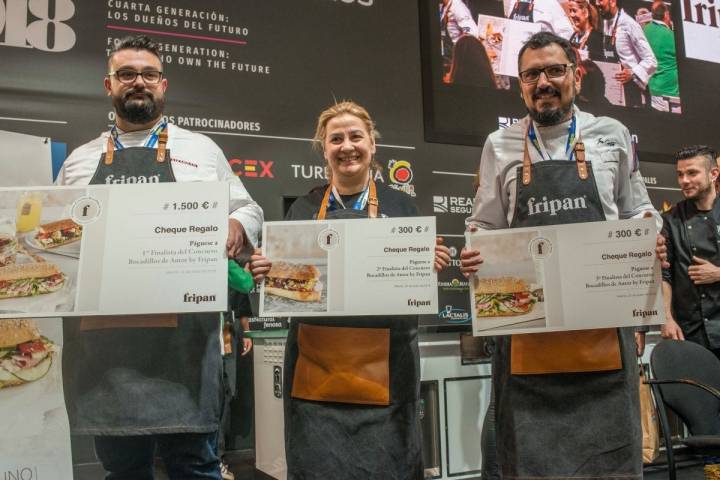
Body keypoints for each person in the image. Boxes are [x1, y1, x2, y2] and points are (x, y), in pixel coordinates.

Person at [57, 35, 263, 479]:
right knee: (122, 469)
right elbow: (59, 241)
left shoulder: (201, 150)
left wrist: (236, 225)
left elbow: (248, 208)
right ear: (108, 85)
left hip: (184, 345)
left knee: (196, 464)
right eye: (126, 74)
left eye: (148, 74)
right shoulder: (78, 161)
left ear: (163, 85)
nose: (138, 82)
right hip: (104, 348)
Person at [460, 31, 662, 479]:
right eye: (531, 74)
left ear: (575, 73)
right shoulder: (500, 144)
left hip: (603, 336)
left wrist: (649, 235)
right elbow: (485, 225)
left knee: (610, 461)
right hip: (527, 337)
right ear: (520, 84)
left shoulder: (611, 134)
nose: (543, 81)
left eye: (554, 70)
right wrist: (474, 251)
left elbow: (639, 209)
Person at [250, 101, 450, 479]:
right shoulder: (303, 210)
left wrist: (430, 266)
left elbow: (413, 282)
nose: (347, 146)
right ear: (324, 150)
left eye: (356, 136)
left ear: (372, 145)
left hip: (389, 370)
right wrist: (266, 270)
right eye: (336, 139)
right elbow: (285, 284)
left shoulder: (403, 206)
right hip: (316, 368)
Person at [661, 145, 720, 360]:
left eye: (692, 173)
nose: (684, 180)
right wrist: (666, 318)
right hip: (690, 332)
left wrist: (718, 274)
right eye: (680, 174)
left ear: (713, 174)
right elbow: (664, 273)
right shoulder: (670, 220)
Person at [595, 0, 657, 108]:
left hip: (632, 93)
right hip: (613, 90)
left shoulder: (629, 24)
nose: (596, 3)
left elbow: (651, 60)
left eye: (600, 0)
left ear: (613, 1)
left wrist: (632, 73)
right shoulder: (604, 23)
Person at [643, 2, 681, 113]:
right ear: (666, 15)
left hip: (653, 93)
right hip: (672, 95)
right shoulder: (672, 36)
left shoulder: (645, 30)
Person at [506, 0, 575, 39]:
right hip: (513, 57)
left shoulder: (549, 3)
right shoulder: (513, 2)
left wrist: (549, 48)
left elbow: (567, 32)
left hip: (539, 59)